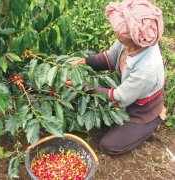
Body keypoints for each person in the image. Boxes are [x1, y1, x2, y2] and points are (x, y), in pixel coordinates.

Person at [66, 0, 167, 155]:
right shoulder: (129, 43)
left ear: (133, 37)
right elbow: (110, 58)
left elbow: (119, 97)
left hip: (140, 111)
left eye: (120, 31)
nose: (115, 31)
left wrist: (83, 86)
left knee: (109, 146)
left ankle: (152, 122)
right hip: (127, 94)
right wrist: (84, 62)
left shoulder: (147, 69)